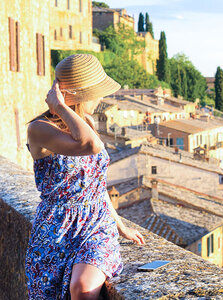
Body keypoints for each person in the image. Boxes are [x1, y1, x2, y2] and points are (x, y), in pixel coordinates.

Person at [25, 54, 145, 300]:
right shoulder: (39, 129)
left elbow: (96, 186)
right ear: (79, 94)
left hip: (95, 225)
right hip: (54, 229)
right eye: (96, 91)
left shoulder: (86, 122)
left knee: (82, 288)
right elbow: (91, 146)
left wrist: (119, 226)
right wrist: (59, 106)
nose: (101, 98)